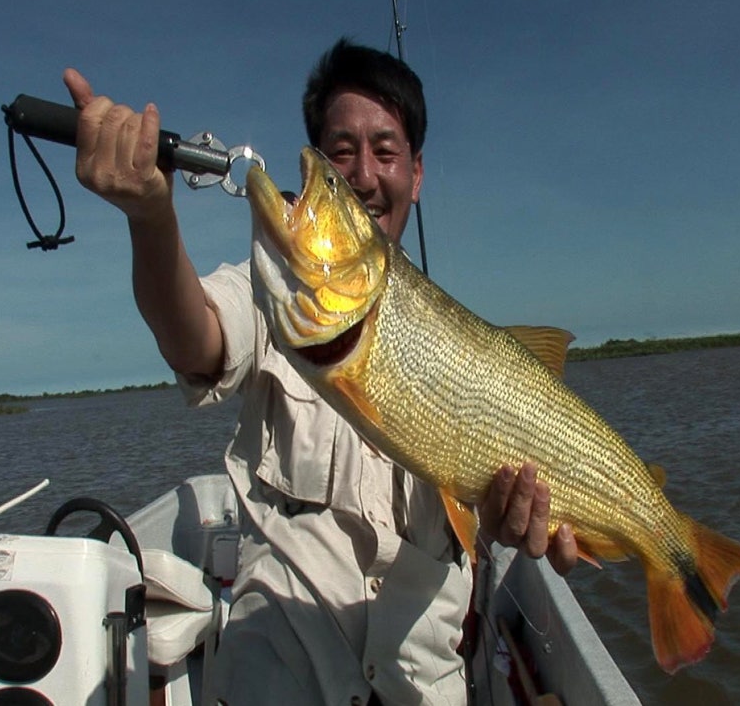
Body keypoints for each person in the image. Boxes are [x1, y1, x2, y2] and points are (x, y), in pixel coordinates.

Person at [64, 39, 577, 705]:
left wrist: (518, 522)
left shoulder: (470, 354)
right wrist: (151, 217)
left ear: (416, 175)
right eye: (339, 154)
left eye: (385, 151)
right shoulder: (273, 293)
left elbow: (498, 519)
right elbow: (194, 338)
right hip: (276, 678)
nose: (363, 174)